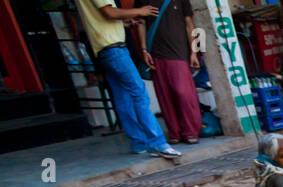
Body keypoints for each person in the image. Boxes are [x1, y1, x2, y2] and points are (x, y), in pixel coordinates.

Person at [73, 0, 181, 159]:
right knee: (139, 93)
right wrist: (140, 11)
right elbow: (109, 12)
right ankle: (158, 143)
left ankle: (138, 142)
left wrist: (124, 21)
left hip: (103, 48)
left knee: (122, 96)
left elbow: (102, 18)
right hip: (114, 49)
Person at [133, 0, 202, 144]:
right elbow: (141, 23)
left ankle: (190, 130)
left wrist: (194, 52)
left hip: (179, 52)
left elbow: (190, 24)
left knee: (183, 92)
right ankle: (174, 132)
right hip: (155, 52)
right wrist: (144, 50)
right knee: (164, 95)